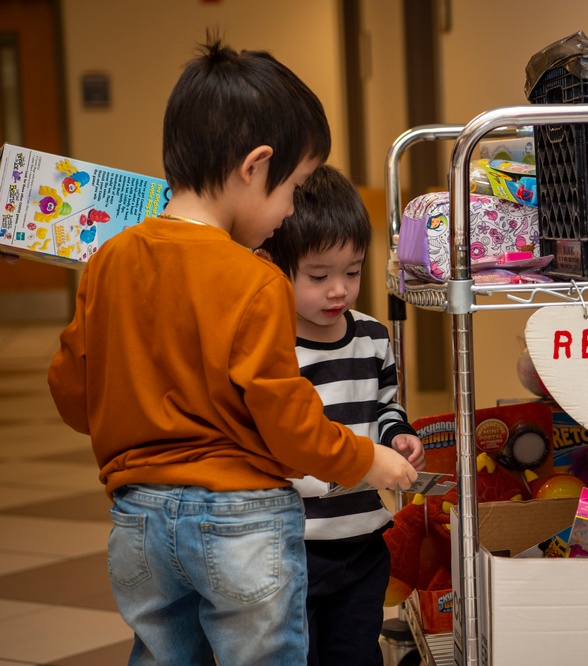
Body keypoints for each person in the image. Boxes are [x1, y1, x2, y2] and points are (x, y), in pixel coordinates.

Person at [46, 37, 417, 666]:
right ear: (255, 166)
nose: (289, 211)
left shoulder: (110, 259)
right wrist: (365, 461)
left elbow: (74, 396)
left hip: (139, 520)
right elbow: (288, 422)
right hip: (240, 521)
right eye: (295, 188)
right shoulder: (254, 279)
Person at [257, 164, 425, 666]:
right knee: (296, 654)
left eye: (352, 272)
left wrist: (398, 436)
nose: (339, 290)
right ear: (274, 268)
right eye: (318, 276)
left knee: (355, 652)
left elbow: (385, 404)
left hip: (362, 540)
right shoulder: (271, 345)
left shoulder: (373, 336)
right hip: (292, 544)